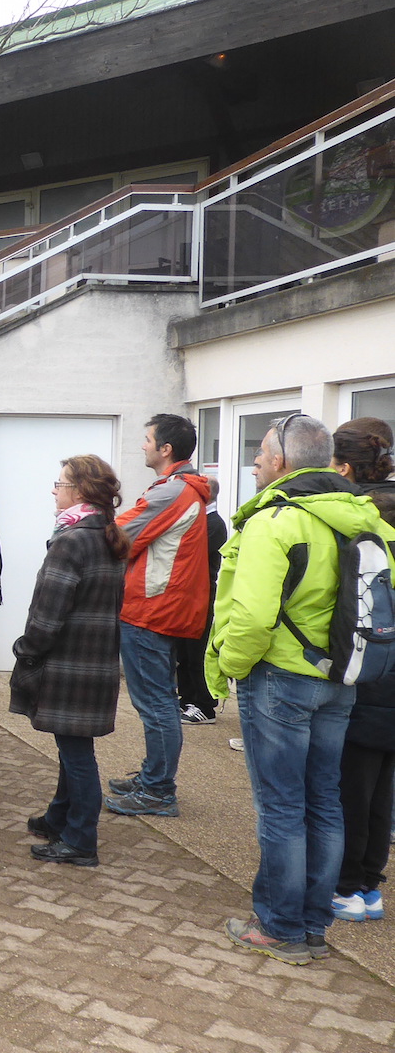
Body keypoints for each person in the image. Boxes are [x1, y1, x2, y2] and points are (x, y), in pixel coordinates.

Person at [209, 413, 395, 965]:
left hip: (281, 681)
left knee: (282, 807)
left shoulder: (276, 521)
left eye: (263, 455)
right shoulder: (366, 519)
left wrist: (226, 669)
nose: (256, 463)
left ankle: (281, 928)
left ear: (285, 463)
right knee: (325, 802)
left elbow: (251, 616)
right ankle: (313, 925)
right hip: (341, 681)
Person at [11, 456, 128, 867]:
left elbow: (48, 612)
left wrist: (27, 649)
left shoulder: (72, 540)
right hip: (95, 663)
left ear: (79, 491)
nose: (54, 490)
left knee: (77, 754)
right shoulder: (107, 534)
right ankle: (59, 817)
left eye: (59, 483)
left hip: (70, 664)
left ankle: (81, 840)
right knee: (72, 746)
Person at [107, 414, 211, 818]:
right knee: (160, 702)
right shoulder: (181, 489)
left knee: (156, 705)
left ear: (166, 449)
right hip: (161, 608)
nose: (142, 445)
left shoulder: (171, 492)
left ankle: (157, 790)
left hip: (151, 611)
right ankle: (154, 776)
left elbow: (117, 535)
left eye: (147, 439)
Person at [328, 420, 395, 923]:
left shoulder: (360, 519)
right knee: (381, 788)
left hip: (370, 668)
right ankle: (369, 888)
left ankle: (347, 886)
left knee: (353, 785)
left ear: (345, 467)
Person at [176, 478, 228, 725]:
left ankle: (204, 705)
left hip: (201, 595)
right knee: (184, 652)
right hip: (187, 595)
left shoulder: (214, 524)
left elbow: (189, 553)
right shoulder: (199, 521)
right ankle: (187, 699)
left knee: (197, 651)